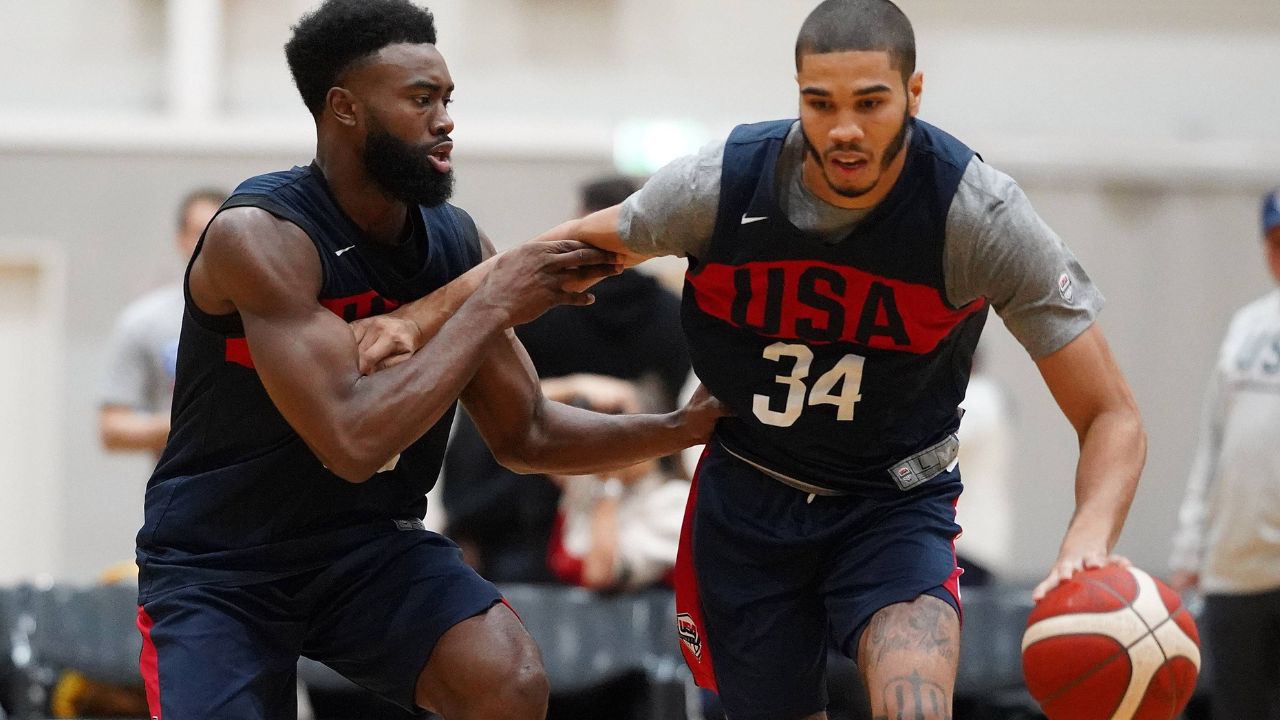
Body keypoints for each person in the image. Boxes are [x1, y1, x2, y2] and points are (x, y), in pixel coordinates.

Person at [525, 2, 1147, 717]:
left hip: (891, 501)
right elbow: (544, 262)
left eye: (870, 103)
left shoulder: (976, 215)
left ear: (914, 94)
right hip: (751, 498)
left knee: (915, 706)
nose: (845, 127)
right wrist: (425, 319)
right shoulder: (724, 183)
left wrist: (1087, 539)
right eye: (820, 103)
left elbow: (1111, 414)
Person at [132, 2, 723, 719]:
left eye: (447, 99)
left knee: (505, 679)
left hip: (366, 550)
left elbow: (527, 432)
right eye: (420, 99)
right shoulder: (262, 235)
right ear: (344, 108)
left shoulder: (451, 241)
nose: (445, 119)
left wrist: (681, 429)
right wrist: (487, 302)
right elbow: (351, 441)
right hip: (221, 565)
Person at [441, 174, 690, 583]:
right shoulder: (671, 314)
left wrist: (463, 521)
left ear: (587, 220)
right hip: (631, 494)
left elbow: (487, 398)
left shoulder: (540, 305)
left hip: (523, 497)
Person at [1169, 188, 1280, 720]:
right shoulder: (1246, 328)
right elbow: (1215, 442)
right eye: (1277, 242)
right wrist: (1191, 546)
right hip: (1235, 568)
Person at [99, 189, 225, 458]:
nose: (209, 244)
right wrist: (193, 424)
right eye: (199, 233)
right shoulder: (145, 321)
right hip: (181, 489)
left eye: (220, 234)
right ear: (181, 239)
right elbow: (112, 428)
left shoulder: (269, 317)